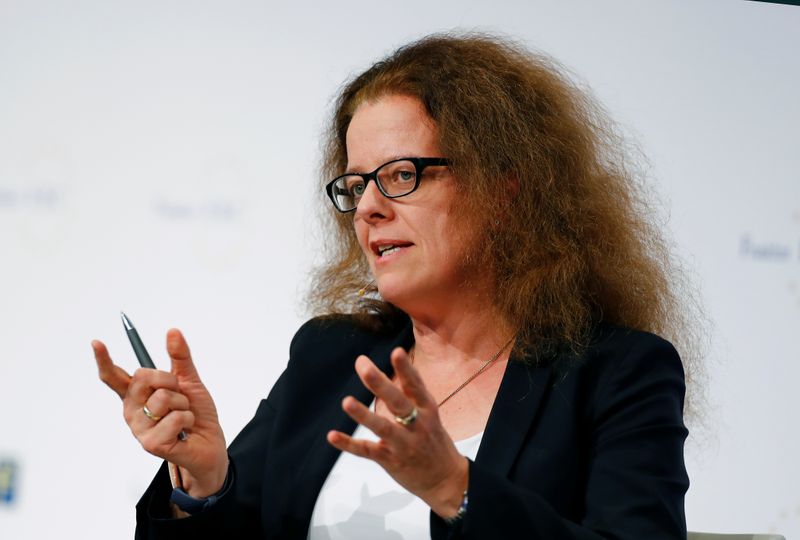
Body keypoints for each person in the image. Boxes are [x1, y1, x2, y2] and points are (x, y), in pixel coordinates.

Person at [93, 33, 700, 539]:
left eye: (403, 175)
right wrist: (204, 481)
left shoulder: (617, 373)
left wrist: (454, 488)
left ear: (503, 190)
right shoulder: (329, 355)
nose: (369, 210)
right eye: (356, 186)